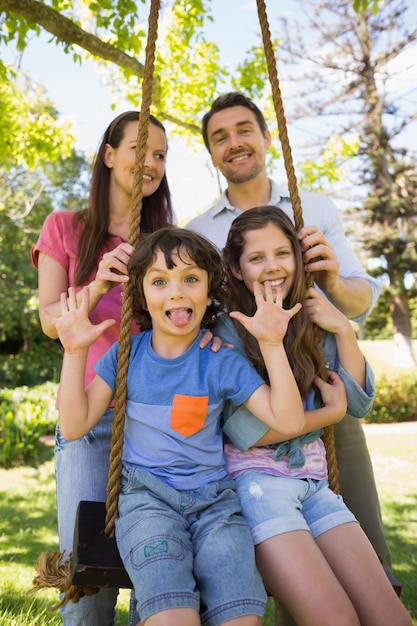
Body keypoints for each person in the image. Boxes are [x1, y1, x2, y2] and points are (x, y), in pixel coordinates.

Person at [46, 226, 311, 626]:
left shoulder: (219, 360)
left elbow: (289, 420)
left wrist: (273, 345)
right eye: (159, 281)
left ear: (209, 291)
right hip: (147, 501)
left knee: (242, 617)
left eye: (190, 279)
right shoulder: (126, 356)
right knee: (174, 616)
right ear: (140, 294)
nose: (176, 292)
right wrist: (75, 352)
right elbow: (75, 423)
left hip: (215, 505)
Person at [186, 92, 394, 590]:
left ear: (264, 136)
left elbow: (361, 298)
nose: (234, 143)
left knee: (366, 558)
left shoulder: (312, 207)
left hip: (314, 373)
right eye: (220, 137)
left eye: (243, 130)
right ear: (212, 154)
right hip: (248, 398)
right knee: (280, 563)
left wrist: (335, 295)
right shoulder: (198, 230)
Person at [31, 111, 212, 625]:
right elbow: (50, 320)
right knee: (89, 579)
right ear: (109, 155)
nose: (151, 163)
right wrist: (97, 288)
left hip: (163, 418)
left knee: (167, 570)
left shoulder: (167, 241)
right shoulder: (65, 228)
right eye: (140, 149)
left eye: (161, 155)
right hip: (93, 418)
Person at [213, 206, 411, 626]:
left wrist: (342, 328)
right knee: (335, 618)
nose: (273, 268)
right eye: (256, 258)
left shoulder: (311, 319)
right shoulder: (228, 331)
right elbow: (251, 432)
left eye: (283, 253)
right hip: (259, 489)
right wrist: (327, 414)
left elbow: (357, 403)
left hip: (313, 485)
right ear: (235, 268)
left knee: (389, 615)